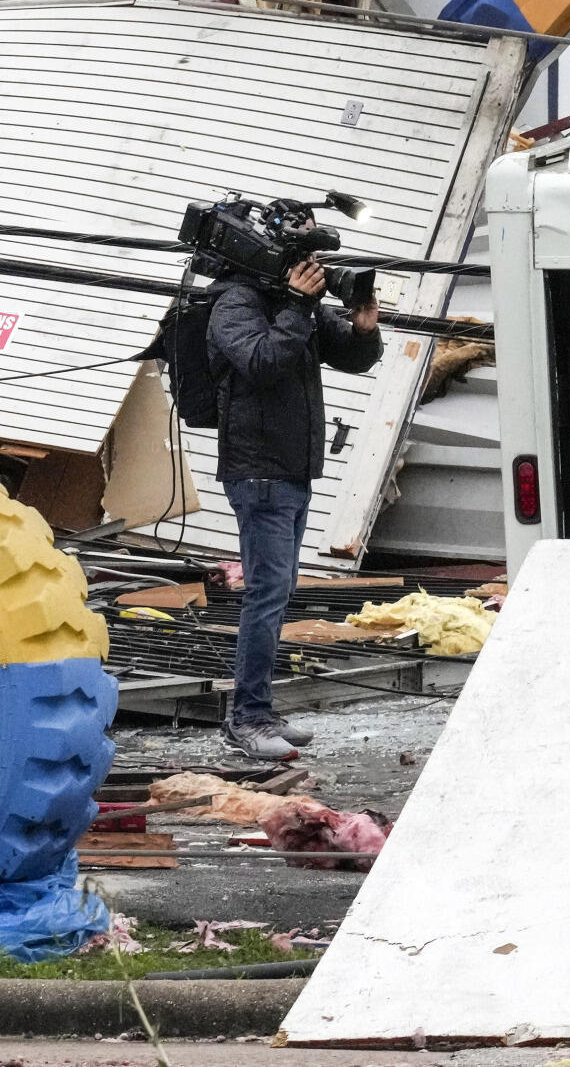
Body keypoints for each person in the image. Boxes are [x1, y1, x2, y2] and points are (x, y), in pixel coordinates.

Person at [206, 254, 382, 761]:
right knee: (265, 595)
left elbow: (349, 354)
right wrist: (297, 305)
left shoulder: (293, 305)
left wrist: (364, 331)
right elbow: (261, 362)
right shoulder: (235, 300)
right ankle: (248, 718)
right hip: (258, 470)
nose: (314, 269)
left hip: (292, 470)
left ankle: (259, 708)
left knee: (278, 592)